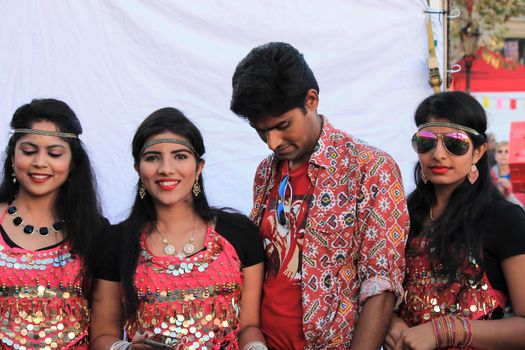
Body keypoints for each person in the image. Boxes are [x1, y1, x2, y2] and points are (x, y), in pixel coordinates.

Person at [230, 42, 409, 349]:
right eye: (261, 131)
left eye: (283, 126)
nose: (272, 142)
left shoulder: (370, 168)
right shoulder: (266, 172)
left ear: (311, 100)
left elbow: (381, 283)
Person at [90, 108, 267, 350]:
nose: (166, 168)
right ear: (137, 169)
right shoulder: (116, 241)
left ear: (199, 167)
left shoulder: (239, 233)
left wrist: (256, 348)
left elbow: (249, 326)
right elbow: (102, 336)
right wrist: (128, 349)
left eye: (180, 156)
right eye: (152, 157)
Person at [385, 91, 525, 350]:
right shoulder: (402, 216)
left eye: (455, 143)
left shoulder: (503, 219)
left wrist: (447, 330)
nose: (438, 154)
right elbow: (380, 291)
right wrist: (389, 323)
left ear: (478, 151)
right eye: (426, 142)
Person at [0, 98, 107, 349]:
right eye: (29, 151)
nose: (40, 162)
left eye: (54, 153)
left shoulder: (97, 233)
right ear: (13, 156)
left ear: (72, 164)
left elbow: (105, 331)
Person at [492, 141, 525, 207]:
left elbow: (521, 207)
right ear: (495, 156)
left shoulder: (520, 176)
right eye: (500, 151)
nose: (503, 154)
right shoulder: (489, 174)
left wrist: (509, 189)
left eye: (507, 152)